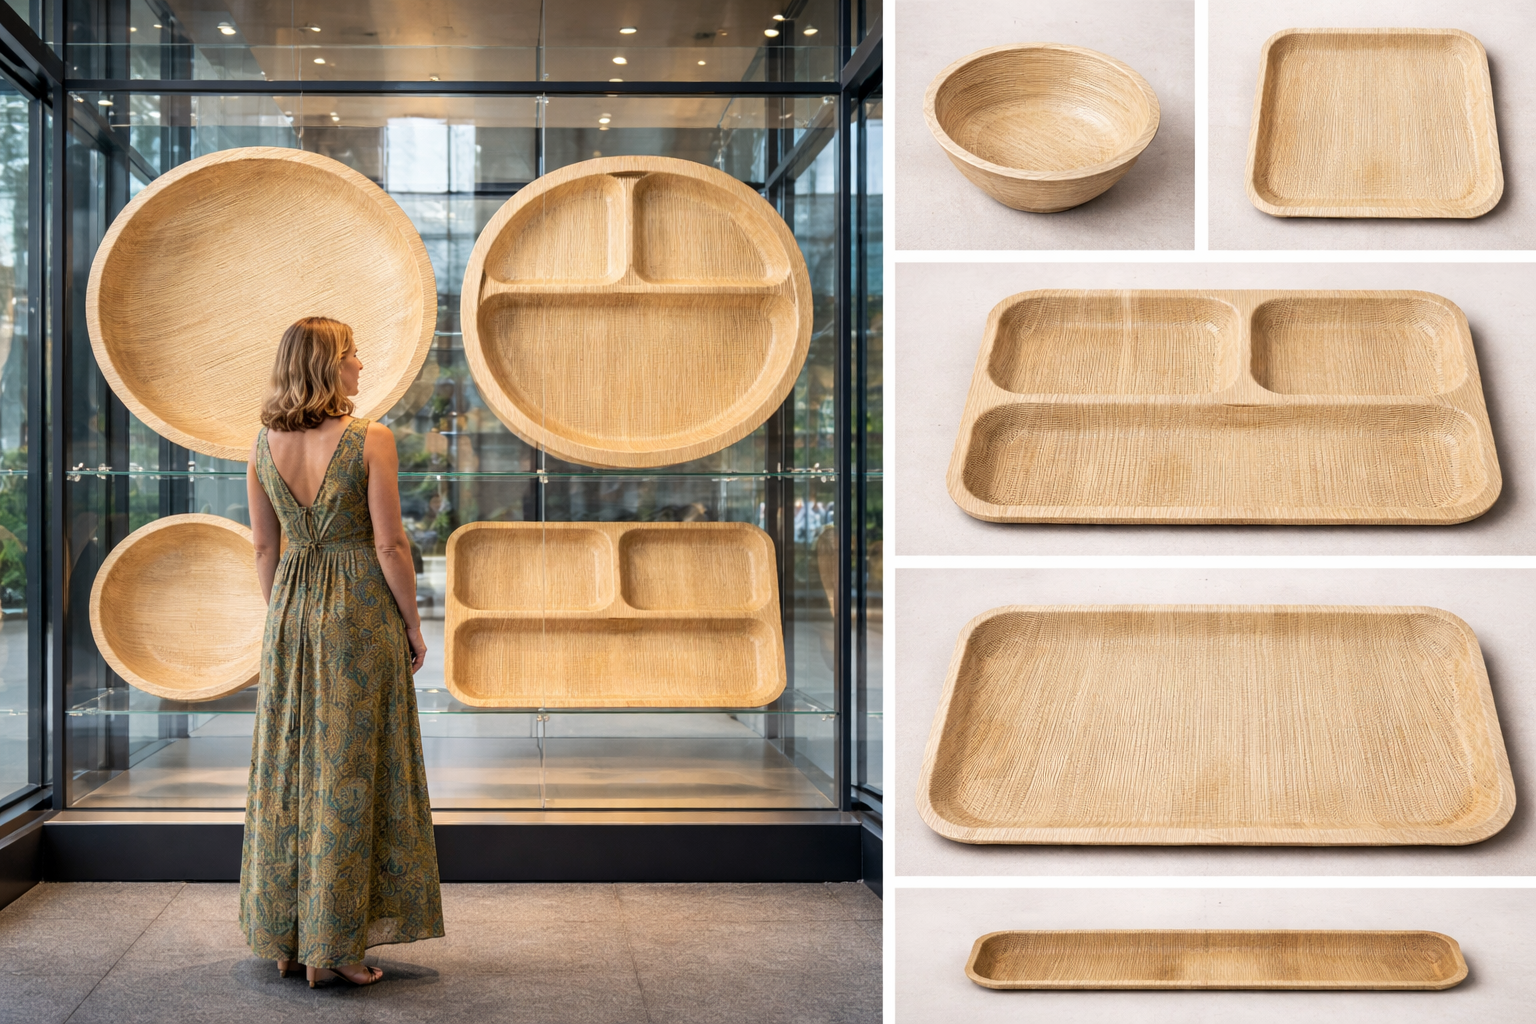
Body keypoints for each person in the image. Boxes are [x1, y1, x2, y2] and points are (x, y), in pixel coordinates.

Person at [238, 316, 444, 987]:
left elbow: (265, 549)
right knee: (352, 771)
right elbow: (390, 545)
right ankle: (340, 947)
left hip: (291, 609)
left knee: (291, 769)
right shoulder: (368, 438)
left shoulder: (264, 444)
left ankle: (289, 938)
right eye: (353, 355)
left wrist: (289, 617)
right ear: (329, 367)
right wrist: (413, 624)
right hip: (358, 611)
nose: (362, 364)